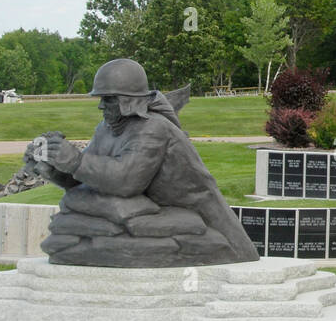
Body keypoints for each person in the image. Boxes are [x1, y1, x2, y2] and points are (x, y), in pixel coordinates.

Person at [32, 59, 258, 267]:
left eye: (108, 99)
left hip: (200, 215)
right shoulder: (106, 128)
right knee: (78, 204)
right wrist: (51, 167)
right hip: (151, 210)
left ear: (127, 101)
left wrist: (74, 160)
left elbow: (125, 181)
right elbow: (86, 178)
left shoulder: (152, 128)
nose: (101, 106)